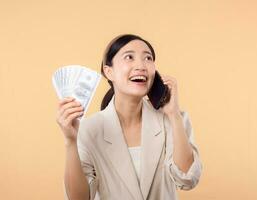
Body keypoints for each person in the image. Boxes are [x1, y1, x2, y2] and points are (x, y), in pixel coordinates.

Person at [56, 34, 203, 200]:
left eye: (148, 58)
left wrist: (173, 114)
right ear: (108, 71)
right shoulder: (89, 128)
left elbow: (187, 179)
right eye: (129, 57)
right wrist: (70, 142)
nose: (141, 65)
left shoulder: (173, 120)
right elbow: (79, 198)